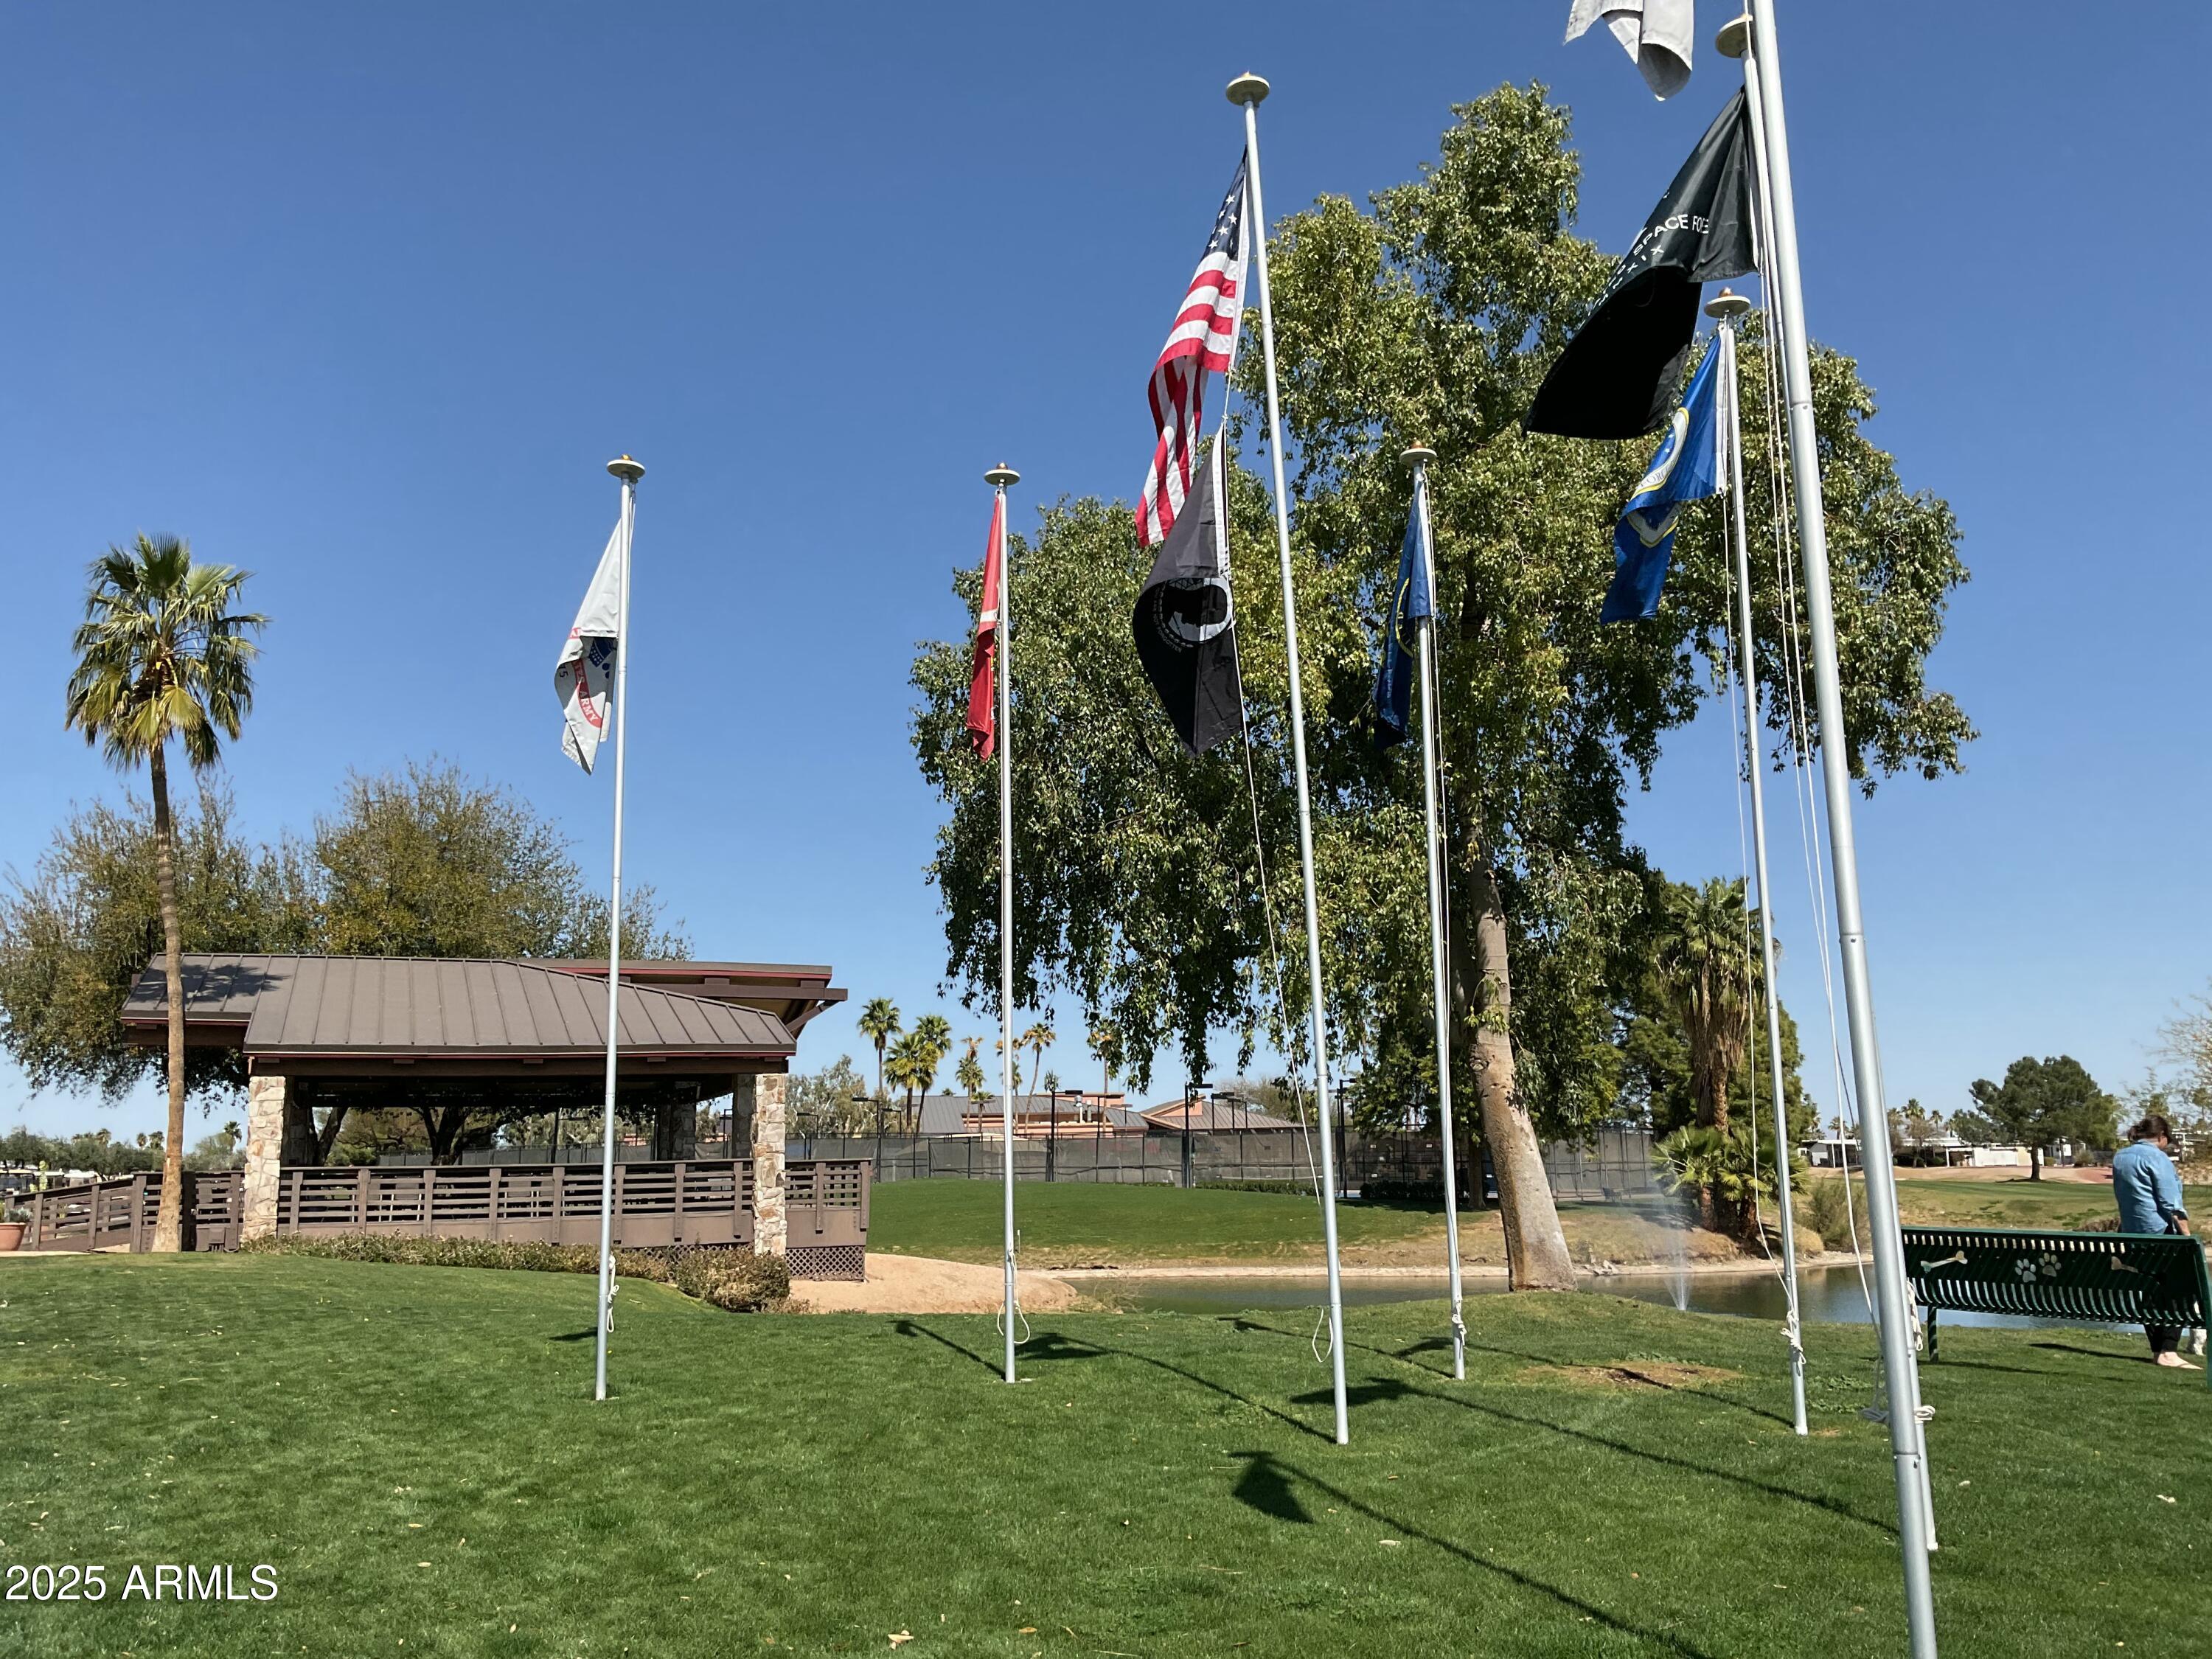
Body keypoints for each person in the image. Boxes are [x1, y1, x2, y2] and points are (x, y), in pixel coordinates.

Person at [2112, 1114, 2199, 1369]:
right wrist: (2187, 1237)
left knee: (2150, 1291)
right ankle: (2168, 1351)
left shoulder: (2121, 1157)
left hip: (2133, 1237)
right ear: (2161, 1137)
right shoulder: (2157, 1158)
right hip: (2161, 1236)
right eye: (2167, 1140)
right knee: (2185, 1288)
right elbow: (2171, 1204)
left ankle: (2157, 1350)